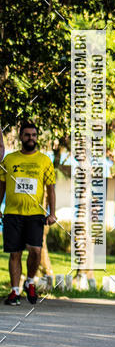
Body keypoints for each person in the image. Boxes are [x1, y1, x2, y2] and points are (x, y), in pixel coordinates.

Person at [0, 122, 57, 305]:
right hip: (12, 214)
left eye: (33, 135)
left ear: (36, 137)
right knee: (14, 253)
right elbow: (1, 186)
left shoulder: (44, 160)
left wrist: (52, 213)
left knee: (35, 250)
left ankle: (30, 281)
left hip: (35, 214)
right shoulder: (9, 160)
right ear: (20, 137)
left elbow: (51, 189)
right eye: (27, 135)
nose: (30, 138)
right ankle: (15, 292)